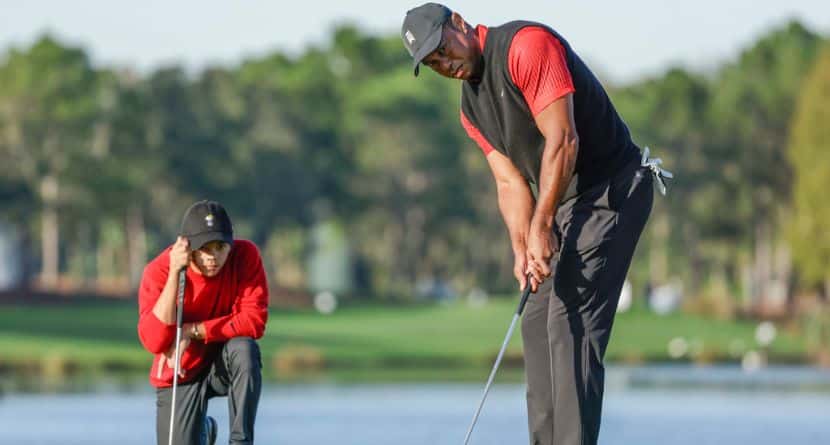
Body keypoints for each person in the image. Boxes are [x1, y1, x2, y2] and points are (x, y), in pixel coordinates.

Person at [401, 4, 671, 445]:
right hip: (564, 204)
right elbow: (510, 185)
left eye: (443, 49)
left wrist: (542, 224)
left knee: (570, 323)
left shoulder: (526, 47)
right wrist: (523, 246)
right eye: (433, 63)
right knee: (536, 321)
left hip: (612, 190)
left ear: (460, 24)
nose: (444, 64)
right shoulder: (471, 109)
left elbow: (563, 140)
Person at [138, 200, 269, 445]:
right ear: (186, 246)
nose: (213, 256)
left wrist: (194, 330)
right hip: (182, 370)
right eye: (205, 248)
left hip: (224, 363)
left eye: (220, 247)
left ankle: (240, 441)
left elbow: (255, 321)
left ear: (231, 243)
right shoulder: (159, 271)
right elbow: (155, 342)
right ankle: (202, 431)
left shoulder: (245, 256)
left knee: (244, 349)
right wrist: (175, 273)